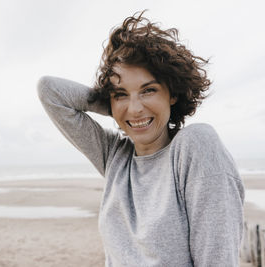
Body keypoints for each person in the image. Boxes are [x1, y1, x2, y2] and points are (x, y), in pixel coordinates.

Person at [37, 11, 244, 267]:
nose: (135, 108)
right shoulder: (115, 157)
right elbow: (50, 91)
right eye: (121, 93)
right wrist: (117, 107)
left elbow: (217, 259)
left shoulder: (194, 146)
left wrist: (125, 104)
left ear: (173, 94)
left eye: (149, 90)